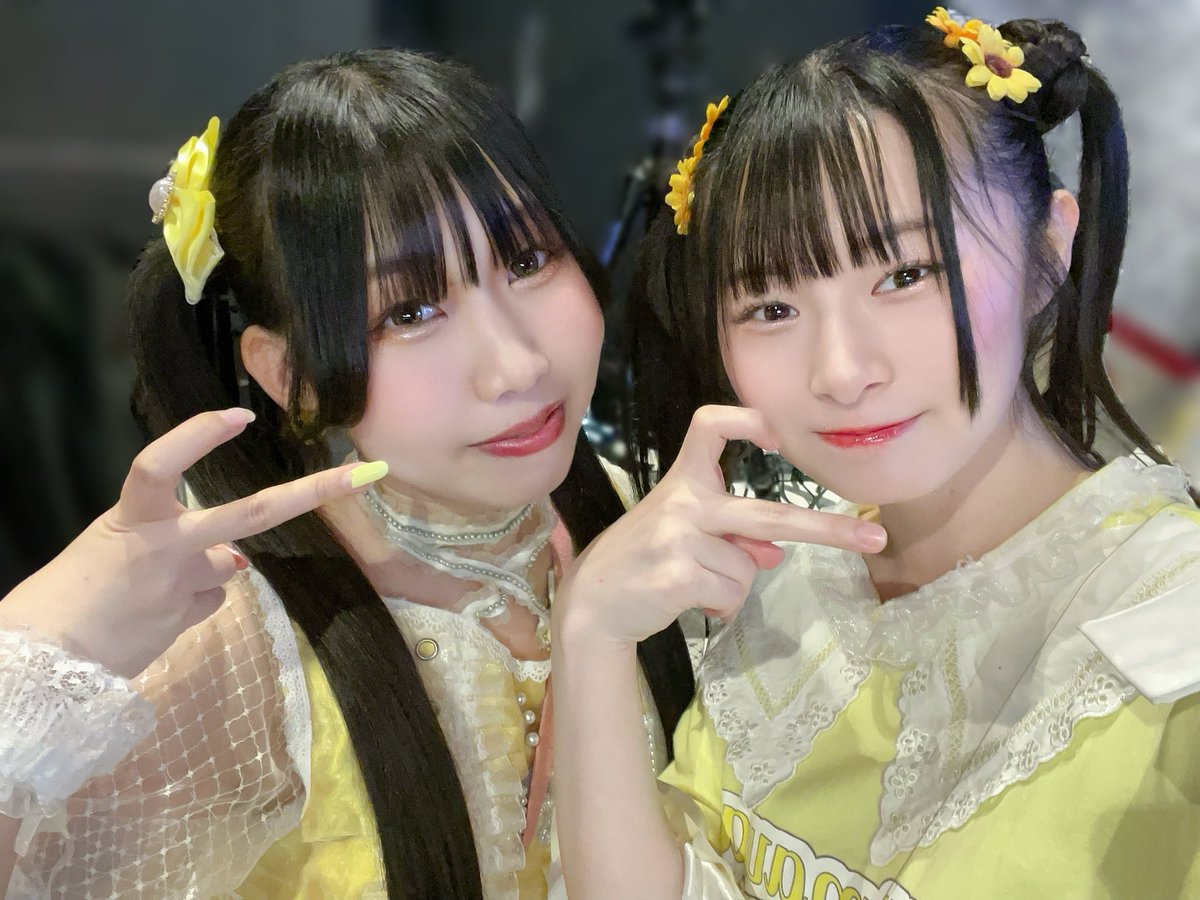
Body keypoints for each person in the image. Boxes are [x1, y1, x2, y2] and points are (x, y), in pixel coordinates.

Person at [0, 48, 703, 899]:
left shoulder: (661, 529)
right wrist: (40, 647)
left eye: (526, 260)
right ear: (289, 375)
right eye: (409, 310)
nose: (516, 365)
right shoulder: (242, 635)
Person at [551, 10, 1200, 899]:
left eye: (905, 275)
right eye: (771, 307)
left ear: (1050, 250)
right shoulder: (787, 586)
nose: (842, 373)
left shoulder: (1173, 635)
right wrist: (589, 633)